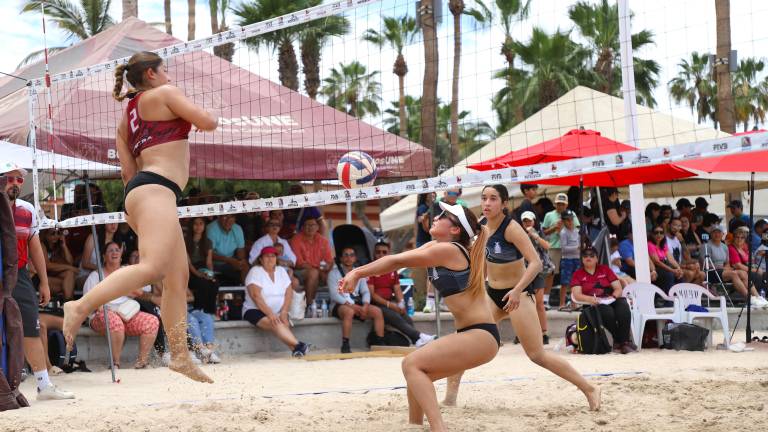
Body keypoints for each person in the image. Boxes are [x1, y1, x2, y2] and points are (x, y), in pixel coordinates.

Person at [63, 51, 218, 383]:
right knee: (152, 268)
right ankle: (78, 307)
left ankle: (180, 356)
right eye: (165, 70)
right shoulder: (165, 93)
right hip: (156, 191)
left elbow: (127, 171)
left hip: (141, 193)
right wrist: (212, 111)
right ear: (151, 74)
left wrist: (139, 206)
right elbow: (208, 122)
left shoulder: (127, 116)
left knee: (177, 279)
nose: (169, 75)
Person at [337, 200, 516, 431]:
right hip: (475, 334)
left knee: (412, 364)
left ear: (455, 229)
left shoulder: (450, 250)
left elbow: (396, 261)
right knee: (419, 373)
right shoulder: (437, 246)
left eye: (443, 216)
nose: (436, 217)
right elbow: (395, 260)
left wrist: (356, 272)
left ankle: (438, 428)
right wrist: (358, 273)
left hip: (480, 335)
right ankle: (414, 425)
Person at [445, 186, 599, 411]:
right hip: (493, 294)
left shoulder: (511, 228)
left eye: (493, 199)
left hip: (518, 295)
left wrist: (517, 290)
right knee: (464, 340)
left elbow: (536, 263)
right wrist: (476, 288)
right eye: (484, 198)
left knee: (537, 355)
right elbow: (484, 260)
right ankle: (450, 398)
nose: (487, 203)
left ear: (504, 203)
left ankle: (590, 389)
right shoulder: (482, 225)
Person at [1, 162, 74, 400]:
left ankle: (44, 385)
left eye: (19, 180)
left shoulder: (27, 209)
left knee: (31, 327)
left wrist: (43, 281)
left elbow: (34, 246)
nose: (15, 184)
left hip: (19, 274)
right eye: (10, 178)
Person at [83, 242, 160, 369]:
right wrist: (107, 308)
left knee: (152, 321)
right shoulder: (95, 276)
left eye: (117, 250)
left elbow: (141, 291)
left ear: (121, 255)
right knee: (115, 321)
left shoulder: (126, 273)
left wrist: (129, 287)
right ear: (104, 256)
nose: (114, 252)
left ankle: (142, 361)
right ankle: (115, 363)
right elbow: (89, 303)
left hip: (126, 314)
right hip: (100, 314)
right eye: (110, 250)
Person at [243, 247, 310, 357]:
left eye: (273, 256)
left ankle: (297, 349)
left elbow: (289, 292)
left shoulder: (281, 271)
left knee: (282, 322)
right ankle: (300, 345)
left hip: (277, 311)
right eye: (267, 256)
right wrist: (270, 314)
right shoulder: (255, 271)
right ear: (260, 259)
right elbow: (255, 296)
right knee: (277, 323)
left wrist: (284, 311)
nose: (270, 259)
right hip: (255, 310)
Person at [368, 241, 435, 347]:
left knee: (406, 317)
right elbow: (372, 295)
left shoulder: (391, 269)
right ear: (374, 254)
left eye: (384, 252)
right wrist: (390, 305)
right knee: (394, 316)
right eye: (378, 252)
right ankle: (418, 336)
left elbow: (397, 289)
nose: (381, 255)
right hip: (376, 304)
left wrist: (401, 303)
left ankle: (416, 341)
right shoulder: (370, 268)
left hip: (390, 302)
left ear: (388, 254)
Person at [571, 246, 635, 354]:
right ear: (582, 259)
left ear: (597, 259)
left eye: (592, 255)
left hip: (609, 299)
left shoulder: (605, 269)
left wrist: (613, 297)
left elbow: (618, 288)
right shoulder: (578, 274)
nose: (588, 257)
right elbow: (576, 295)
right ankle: (622, 342)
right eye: (585, 255)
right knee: (608, 312)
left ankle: (622, 342)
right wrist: (590, 299)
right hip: (591, 303)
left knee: (623, 306)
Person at [328, 247, 385, 353]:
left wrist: (365, 306)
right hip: (340, 304)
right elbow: (334, 295)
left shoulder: (359, 273)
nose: (349, 258)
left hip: (356, 303)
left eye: (351, 255)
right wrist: (353, 306)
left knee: (377, 311)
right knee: (349, 311)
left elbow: (365, 292)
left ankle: (379, 343)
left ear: (355, 258)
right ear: (341, 258)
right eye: (346, 255)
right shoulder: (333, 273)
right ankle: (345, 344)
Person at [699, 225, 765, 305]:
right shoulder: (706, 246)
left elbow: (727, 263)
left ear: (722, 234)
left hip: (722, 271)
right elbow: (705, 264)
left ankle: (757, 297)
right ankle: (749, 298)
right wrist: (723, 268)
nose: (717, 234)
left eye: (719, 232)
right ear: (711, 234)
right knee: (733, 274)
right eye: (714, 232)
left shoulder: (724, 247)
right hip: (710, 272)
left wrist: (726, 268)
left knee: (743, 273)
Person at [541, 193, 579, 310]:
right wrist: (555, 228)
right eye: (558, 204)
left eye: (562, 204)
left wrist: (566, 226)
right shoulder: (549, 215)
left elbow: (577, 228)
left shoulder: (572, 214)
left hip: (570, 249)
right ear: (555, 204)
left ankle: (572, 301)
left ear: (566, 205)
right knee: (551, 273)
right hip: (554, 247)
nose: (560, 206)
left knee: (570, 275)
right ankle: (545, 299)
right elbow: (543, 232)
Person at [520, 211, 552, 343]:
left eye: (529, 220)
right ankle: (522, 334)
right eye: (525, 221)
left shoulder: (538, 233)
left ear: (534, 221)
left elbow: (547, 246)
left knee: (539, 304)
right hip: (522, 272)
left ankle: (544, 333)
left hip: (537, 272)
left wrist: (535, 236)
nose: (527, 223)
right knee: (523, 305)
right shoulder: (517, 234)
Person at [290, 216, 333, 307]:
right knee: (313, 273)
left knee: (334, 274)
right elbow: (299, 263)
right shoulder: (296, 239)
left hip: (319, 271)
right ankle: (309, 304)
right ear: (302, 227)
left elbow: (329, 260)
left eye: (312, 225)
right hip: (300, 271)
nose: (310, 227)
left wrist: (327, 267)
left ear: (317, 227)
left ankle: (335, 305)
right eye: (307, 225)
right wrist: (318, 270)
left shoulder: (323, 241)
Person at [185, 217, 220, 315]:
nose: (198, 226)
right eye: (195, 224)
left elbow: (209, 262)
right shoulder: (185, 241)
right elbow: (188, 263)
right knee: (202, 283)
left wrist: (210, 274)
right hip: (189, 271)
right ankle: (199, 310)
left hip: (203, 268)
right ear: (191, 226)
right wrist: (198, 274)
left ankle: (210, 311)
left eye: (201, 223)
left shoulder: (208, 242)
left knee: (214, 283)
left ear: (204, 226)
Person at [728, 227, 768, 303]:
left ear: (745, 239)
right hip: (739, 271)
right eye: (737, 237)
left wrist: (756, 267)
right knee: (755, 275)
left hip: (748, 269)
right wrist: (754, 270)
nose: (739, 239)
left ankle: (761, 297)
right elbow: (737, 265)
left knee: (765, 275)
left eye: (742, 238)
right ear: (734, 238)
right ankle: (755, 298)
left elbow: (751, 260)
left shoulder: (744, 247)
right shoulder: (731, 248)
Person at [206, 215, 248, 285]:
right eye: (225, 216)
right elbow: (209, 254)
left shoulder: (237, 228)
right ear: (219, 217)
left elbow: (240, 249)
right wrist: (229, 260)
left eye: (231, 217)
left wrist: (240, 261)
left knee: (244, 265)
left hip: (230, 262)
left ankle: (244, 289)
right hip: (213, 263)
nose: (228, 220)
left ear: (235, 218)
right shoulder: (211, 228)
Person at [39, 229, 78, 301]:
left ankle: (67, 303)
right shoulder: (42, 245)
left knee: (70, 274)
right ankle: (69, 303)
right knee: (68, 284)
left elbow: (70, 262)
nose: (56, 236)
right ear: (45, 235)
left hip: (54, 276)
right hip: (42, 278)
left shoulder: (58, 246)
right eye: (52, 234)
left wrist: (64, 246)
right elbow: (47, 266)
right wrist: (70, 267)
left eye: (58, 233)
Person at [667, 217, 705, 285]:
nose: (676, 228)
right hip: (670, 267)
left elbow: (687, 257)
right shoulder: (665, 239)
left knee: (702, 274)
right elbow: (668, 261)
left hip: (679, 266)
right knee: (690, 274)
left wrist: (682, 241)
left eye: (679, 226)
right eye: (675, 225)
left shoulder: (678, 239)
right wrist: (686, 266)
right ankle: (680, 290)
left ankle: (689, 290)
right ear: (669, 225)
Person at [647, 225, 684, 293]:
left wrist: (678, 268)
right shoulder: (650, 244)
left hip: (665, 265)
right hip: (656, 268)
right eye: (656, 232)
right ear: (652, 234)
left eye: (661, 232)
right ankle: (669, 298)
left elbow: (671, 259)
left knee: (679, 274)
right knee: (669, 275)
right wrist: (672, 270)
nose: (659, 234)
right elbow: (657, 262)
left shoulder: (663, 244)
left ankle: (680, 296)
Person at [558, 210, 581, 311]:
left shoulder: (577, 231)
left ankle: (574, 303)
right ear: (563, 221)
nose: (570, 222)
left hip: (577, 258)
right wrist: (577, 248)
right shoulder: (563, 232)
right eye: (567, 220)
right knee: (565, 282)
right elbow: (564, 248)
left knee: (576, 282)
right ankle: (561, 303)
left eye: (571, 219)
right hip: (567, 259)